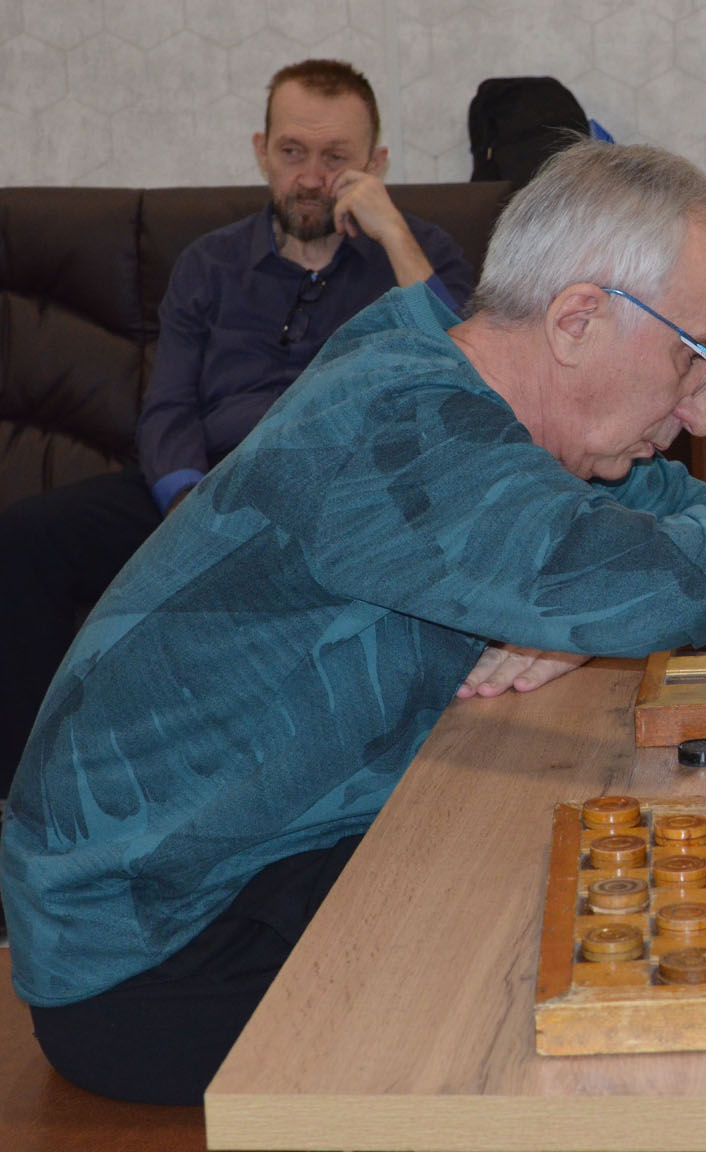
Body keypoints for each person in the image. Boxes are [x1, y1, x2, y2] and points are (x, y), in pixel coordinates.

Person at [0, 139, 706, 1106]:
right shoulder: (405, 427)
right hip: (158, 951)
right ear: (576, 320)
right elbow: (642, 573)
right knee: (646, 988)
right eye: (694, 361)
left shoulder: (450, 379)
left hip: (257, 869)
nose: (703, 414)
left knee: (644, 880)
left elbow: (670, 524)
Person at [0, 58, 474, 800]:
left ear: (376, 164)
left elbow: (464, 379)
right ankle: (26, 801)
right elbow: (167, 408)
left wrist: (393, 235)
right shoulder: (209, 263)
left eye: (336, 157)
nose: (311, 178)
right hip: (203, 491)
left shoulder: (420, 254)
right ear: (261, 151)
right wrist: (190, 508)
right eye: (292, 152)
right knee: (25, 540)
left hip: (339, 497)